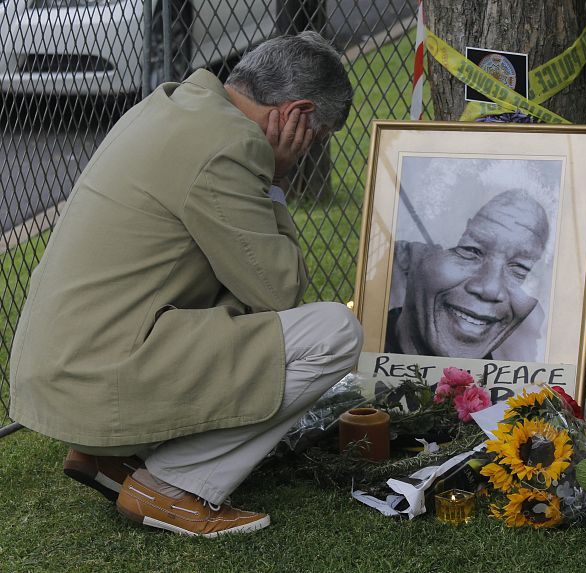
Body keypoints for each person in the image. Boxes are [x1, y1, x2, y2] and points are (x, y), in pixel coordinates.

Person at [9, 32, 363, 537]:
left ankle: (114, 454)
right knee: (335, 331)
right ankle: (173, 485)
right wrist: (278, 179)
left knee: (235, 300)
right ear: (297, 114)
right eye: (318, 136)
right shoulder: (232, 147)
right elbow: (278, 292)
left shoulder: (175, 104)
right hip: (95, 374)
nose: (310, 149)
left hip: (62, 366)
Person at [384, 189, 549, 359]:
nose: (490, 289)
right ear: (405, 254)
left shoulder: (524, 382)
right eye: (471, 250)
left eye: (520, 269)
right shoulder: (364, 357)